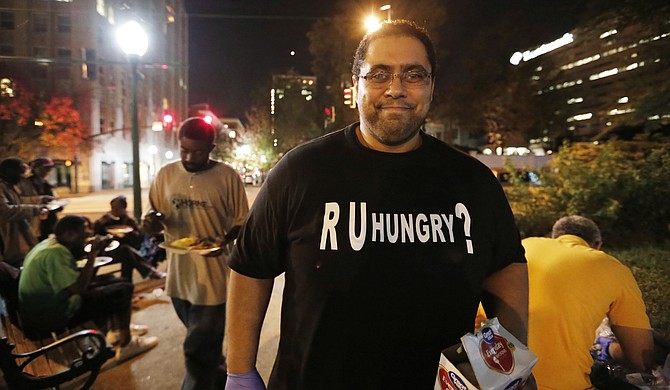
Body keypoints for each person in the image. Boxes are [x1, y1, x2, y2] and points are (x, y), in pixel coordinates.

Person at [225, 20, 535, 390]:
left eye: (414, 75)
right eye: (379, 75)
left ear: (432, 87)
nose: (396, 89)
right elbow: (250, 267)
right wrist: (240, 371)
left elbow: (506, 268)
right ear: (355, 85)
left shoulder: (474, 182)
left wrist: (509, 362)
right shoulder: (300, 171)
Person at [142, 117, 249, 390]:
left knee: (197, 348)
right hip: (178, 279)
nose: (189, 157)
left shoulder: (227, 176)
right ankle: (221, 380)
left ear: (212, 147)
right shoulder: (165, 175)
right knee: (206, 347)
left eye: (197, 151)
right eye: (184, 150)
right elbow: (152, 217)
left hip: (212, 279)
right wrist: (150, 223)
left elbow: (242, 223)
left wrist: (222, 241)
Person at [524, 215, 654, 389]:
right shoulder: (612, 267)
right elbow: (641, 358)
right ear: (597, 245)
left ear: (554, 237)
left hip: (487, 376)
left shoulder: (524, 245)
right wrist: (607, 349)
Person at [18, 215, 158, 361]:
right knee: (123, 290)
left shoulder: (50, 244)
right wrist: (93, 254)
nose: (89, 232)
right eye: (85, 229)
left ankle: (117, 329)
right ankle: (127, 345)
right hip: (53, 314)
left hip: (47, 304)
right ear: (69, 234)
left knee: (114, 281)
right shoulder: (55, 254)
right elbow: (79, 288)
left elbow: (74, 279)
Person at [93, 195, 165, 280]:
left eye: (117, 208)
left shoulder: (129, 221)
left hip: (126, 250)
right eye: (113, 208)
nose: (114, 210)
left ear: (124, 209)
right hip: (108, 250)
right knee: (126, 251)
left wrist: (129, 233)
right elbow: (95, 233)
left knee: (127, 254)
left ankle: (126, 281)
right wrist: (100, 222)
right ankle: (150, 271)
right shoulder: (106, 220)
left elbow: (138, 239)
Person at [0, 157, 49, 268]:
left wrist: (40, 200)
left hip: (15, 241)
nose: (22, 177)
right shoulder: (2, 187)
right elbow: (5, 211)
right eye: (21, 173)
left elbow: (19, 202)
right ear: (11, 172)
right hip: (6, 244)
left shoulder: (9, 186)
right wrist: (36, 209)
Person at [18, 157, 59, 240]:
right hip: (33, 221)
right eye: (45, 168)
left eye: (49, 168)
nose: (48, 171)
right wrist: (40, 199)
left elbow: (53, 198)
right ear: (35, 169)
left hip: (47, 222)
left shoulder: (46, 184)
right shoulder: (24, 184)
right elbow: (18, 200)